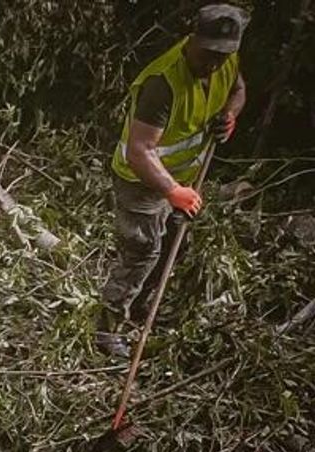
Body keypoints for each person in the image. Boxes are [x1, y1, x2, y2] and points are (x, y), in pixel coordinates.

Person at [97, 3, 248, 357]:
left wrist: (229, 115)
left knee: (171, 244)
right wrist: (172, 191)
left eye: (221, 55)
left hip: (183, 179)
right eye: (208, 53)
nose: (212, 63)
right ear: (193, 39)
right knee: (140, 251)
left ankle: (144, 308)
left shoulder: (227, 63)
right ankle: (107, 329)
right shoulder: (162, 83)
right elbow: (139, 151)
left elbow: (239, 91)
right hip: (141, 181)